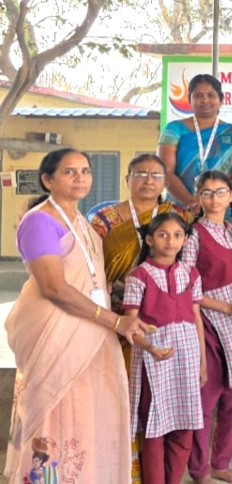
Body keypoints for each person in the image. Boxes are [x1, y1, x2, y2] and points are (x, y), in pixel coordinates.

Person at [7, 148, 152, 483]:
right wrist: (115, 321)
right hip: (53, 330)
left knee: (84, 410)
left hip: (90, 330)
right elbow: (54, 288)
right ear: (48, 180)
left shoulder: (81, 221)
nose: (80, 178)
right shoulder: (40, 221)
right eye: (69, 172)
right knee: (52, 411)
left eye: (85, 171)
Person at [181, 170, 232, 484]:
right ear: (198, 198)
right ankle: (199, 469)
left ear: (231, 196)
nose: (214, 198)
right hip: (208, 320)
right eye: (207, 192)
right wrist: (228, 306)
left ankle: (220, 463)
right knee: (207, 396)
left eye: (220, 192)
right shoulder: (193, 236)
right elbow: (186, 288)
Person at [124, 212, 206, 484]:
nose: (171, 241)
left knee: (185, 425)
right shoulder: (138, 277)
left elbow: (196, 318)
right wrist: (150, 348)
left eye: (177, 235)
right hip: (153, 360)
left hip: (187, 356)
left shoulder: (191, 274)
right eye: (163, 235)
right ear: (149, 239)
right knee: (155, 427)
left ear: (185, 240)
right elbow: (131, 325)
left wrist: (202, 362)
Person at [158, 74, 232, 227]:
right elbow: (166, 172)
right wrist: (192, 203)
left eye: (211, 95)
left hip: (224, 214)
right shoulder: (174, 129)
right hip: (182, 212)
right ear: (189, 100)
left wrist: (217, 201)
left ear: (221, 100)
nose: (205, 100)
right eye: (198, 96)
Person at [90, 154, 189, 307]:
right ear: (127, 180)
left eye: (156, 176)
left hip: (167, 299)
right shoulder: (106, 217)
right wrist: (101, 281)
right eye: (141, 175)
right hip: (116, 299)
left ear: (165, 183)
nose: (149, 181)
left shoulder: (179, 215)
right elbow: (90, 256)